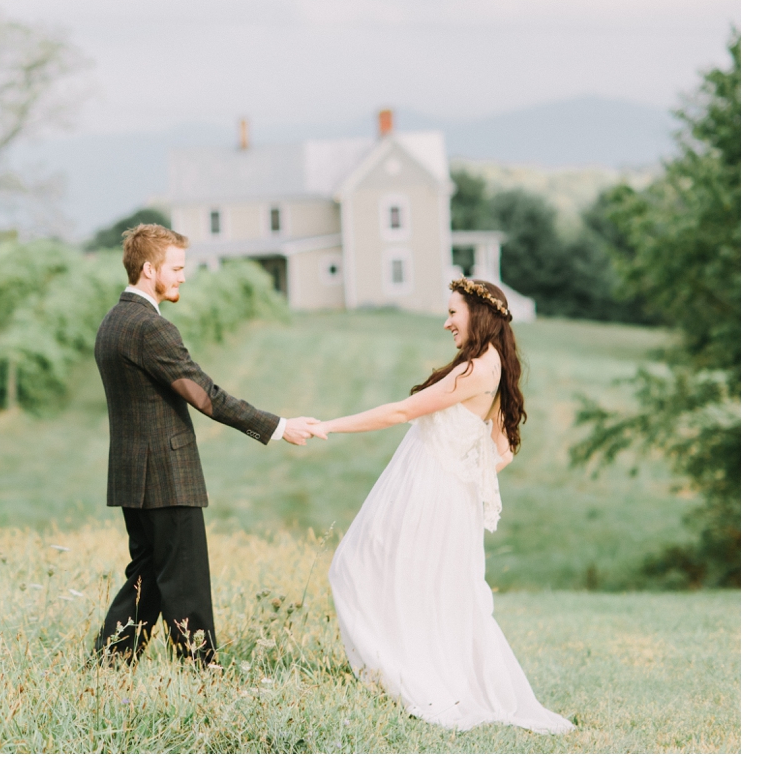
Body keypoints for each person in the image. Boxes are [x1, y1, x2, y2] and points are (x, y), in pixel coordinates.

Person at [314, 277, 573, 733]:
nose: (447, 322)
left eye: (453, 312)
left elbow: (400, 412)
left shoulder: (475, 370)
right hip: (442, 491)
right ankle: (416, 670)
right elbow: (503, 451)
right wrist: (465, 479)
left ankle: (409, 677)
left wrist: (329, 425)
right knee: (426, 586)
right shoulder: (491, 365)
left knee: (357, 566)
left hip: (427, 491)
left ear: (479, 314)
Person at [92, 223, 319, 667]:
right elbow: (205, 397)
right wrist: (277, 426)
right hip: (165, 475)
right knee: (186, 582)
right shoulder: (151, 328)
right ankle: (203, 675)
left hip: (131, 475)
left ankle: (108, 666)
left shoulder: (112, 323)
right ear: (148, 269)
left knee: (148, 578)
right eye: (175, 268)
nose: (181, 277)